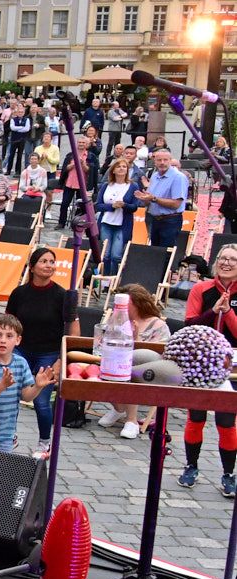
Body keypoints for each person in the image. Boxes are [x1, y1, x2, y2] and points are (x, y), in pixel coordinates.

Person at [5, 247, 76, 457]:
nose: (49, 265)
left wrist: (61, 359)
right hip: (22, 350)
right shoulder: (19, 293)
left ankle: (45, 442)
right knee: (9, 393)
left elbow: (73, 330)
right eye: (44, 261)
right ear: (32, 266)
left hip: (49, 353)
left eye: (52, 262)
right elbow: (8, 323)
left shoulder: (62, 296)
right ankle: (9, 435)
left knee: (41, 401)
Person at [180, 244, 237, 494]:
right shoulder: (200, 289)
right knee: (196, 417)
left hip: (232, 364)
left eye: (233, 259)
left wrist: (229, 312)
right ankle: (191, 466)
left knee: (226, 421)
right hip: (201, 363)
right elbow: (189, 327)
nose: (226, 263)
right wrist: (212, 312)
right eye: (223, 258)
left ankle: (228, 474)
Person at [0, 314, 56, 452]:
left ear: (18, 340)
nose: (3, 340)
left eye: (9, 336)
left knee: (1, 465)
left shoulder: (21, 363)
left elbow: (26, 396)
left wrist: (37, 386)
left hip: (5, 433)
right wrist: (2, 385)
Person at [99, 284, 170, 439]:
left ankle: (131, 420)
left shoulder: (157, 325)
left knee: (130, 368)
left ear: (137, 304)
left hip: (148, 371)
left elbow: (157, 355)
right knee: (99, 368)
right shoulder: (116, 320)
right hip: (118, 364)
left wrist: (135, 338)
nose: (121, 307)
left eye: (126, 304)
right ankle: (119, 408)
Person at [136, 148, 189, 248]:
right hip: (154, 220)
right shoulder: (155, 176)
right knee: (155, 251)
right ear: (154, 161)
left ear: (170, 161)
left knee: (166, 252)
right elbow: (150, 199)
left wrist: (154, 199)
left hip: (170, 221)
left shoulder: (178, 177)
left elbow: (176, 204)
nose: (162, 163)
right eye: (159, 160)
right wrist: (145, 199)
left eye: (165, 160)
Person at [95, 156, 138, 277]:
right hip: (106, 223)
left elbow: (135, 207)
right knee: (105, 254)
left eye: (124, 167)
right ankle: (104, 278)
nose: (121, 168)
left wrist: (124, 205)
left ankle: (113, 278)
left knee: (116, 255)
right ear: (113, 170)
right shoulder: (106, 185)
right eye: (118, 166)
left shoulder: (133, 186)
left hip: (122, 224)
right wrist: (112, 206)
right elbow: (98, 205)